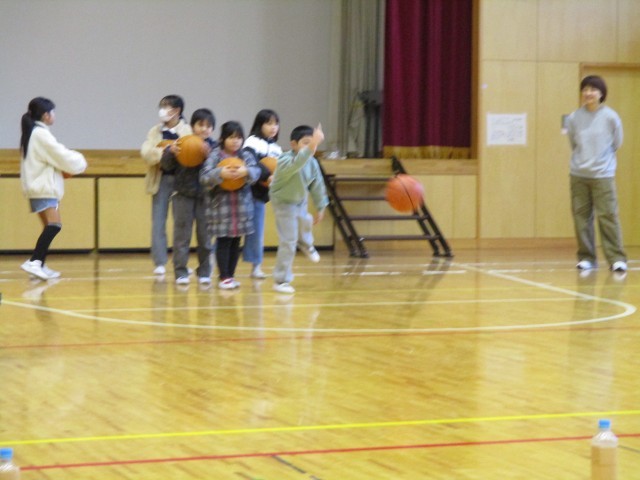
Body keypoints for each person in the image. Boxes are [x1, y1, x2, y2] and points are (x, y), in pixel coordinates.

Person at [19, 97, 87, 280]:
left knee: (49, 226)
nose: (54, 115)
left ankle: (39, 264)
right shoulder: (41, 134)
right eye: (52, 112)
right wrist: (80, 161)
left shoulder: (33, 133)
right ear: (45, 115)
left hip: (38, 187)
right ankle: (34, 262)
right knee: (54, 225)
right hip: (43, 188)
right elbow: (60, 154)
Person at [566, 75, 627, 272]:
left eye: (593, 89)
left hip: (603, 176)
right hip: (579, 175)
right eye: (585, 89)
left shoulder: (611, 117)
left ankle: (616, 258)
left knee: (608, 216)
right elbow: (574, 144)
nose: (588, 93)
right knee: (581, 217)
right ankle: (586, 257)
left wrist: (602, 161)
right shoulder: (574, 118)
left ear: (601, 94)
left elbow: (617, 143)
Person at [200, 121, 260, 290]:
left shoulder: (245, 156)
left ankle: (230, 276)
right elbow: (204, 177)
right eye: (231, 137)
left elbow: (257, 172)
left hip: (242, 209)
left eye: (239, 138)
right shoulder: (215, 155)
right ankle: (224, 276)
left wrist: (246, 171)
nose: (235, 141)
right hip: (221, 209)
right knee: (224, 241)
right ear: (222, 139)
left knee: (235, 243)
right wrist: (220, 173)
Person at [270, 124, 329, 294]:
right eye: (306, 143)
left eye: (313, 143)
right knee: (288, 241)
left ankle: (306, 244)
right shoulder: (284, 160)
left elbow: (317, 185)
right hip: (283, 203)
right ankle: (281, 280)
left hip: (300, 201)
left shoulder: (313, 163)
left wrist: (321, 206)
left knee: (306, 221)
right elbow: (297, 163)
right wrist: (313, 144)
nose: (311, 147)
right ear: (293, 145)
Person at [160, 108, 216, 285]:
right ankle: (181, 272)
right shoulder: (180, 143)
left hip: (206, 197)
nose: (204, 129)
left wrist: (208, 157)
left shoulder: (215, 148)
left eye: (208, 126)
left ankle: (204, 271)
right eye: (201, 125)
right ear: (192, 126)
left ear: (212, 129)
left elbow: (217, 171)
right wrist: (170, 152)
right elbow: (166, 166)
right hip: (183, 195)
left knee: (205, 237)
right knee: (181, 236)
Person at [140, 95, 192, 275]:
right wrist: (165, 150)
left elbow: (190, 152)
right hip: (160, 179)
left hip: (181, 181)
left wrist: (178, 151)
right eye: (161, 107)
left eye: (166, 107)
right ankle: (160, 262)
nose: (162, 111)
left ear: (177, 110)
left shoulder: (187, 130)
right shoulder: (155, 131)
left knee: (181, 223)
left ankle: (181, 262)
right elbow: (146, 152)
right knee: (158, 221)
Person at [241, 109, 282, 279]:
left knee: (257, 231)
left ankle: (256, 266)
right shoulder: (252, 142)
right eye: (269, 123)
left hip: (260, 195)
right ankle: (215, 259)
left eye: (276, 123)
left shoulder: (277, 149)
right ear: (260, 124)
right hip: (244, 192)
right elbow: (252, 163)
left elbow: (280, 169)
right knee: (231, 230)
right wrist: (267, 175)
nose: (273, 127)